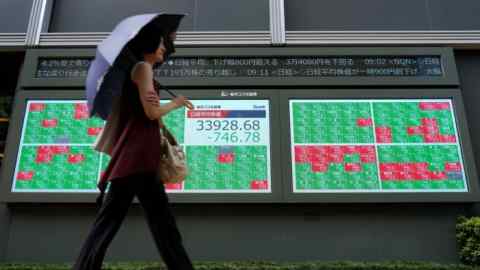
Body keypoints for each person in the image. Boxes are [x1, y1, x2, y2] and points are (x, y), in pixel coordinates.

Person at [72, 21, 195, 270]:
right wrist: (177, 103)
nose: (164, 49)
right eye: (161, 44)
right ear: (149, 45)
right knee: (158, 224)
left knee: (125, 221)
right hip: (138, 157)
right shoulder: (142, 68)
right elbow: (151, 113)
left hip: (135, 158)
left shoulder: (142, 71)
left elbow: (145, 112)